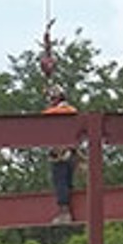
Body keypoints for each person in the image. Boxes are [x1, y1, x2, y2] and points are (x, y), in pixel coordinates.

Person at [43, 88, 78, 224]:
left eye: (51, 99)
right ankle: (68, 210)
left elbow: (46, 115)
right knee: (67, 182)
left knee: (60, 182)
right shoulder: (72, 112)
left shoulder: (59, 112)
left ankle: (64, 212)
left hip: (61, 154)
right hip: (70, 153)